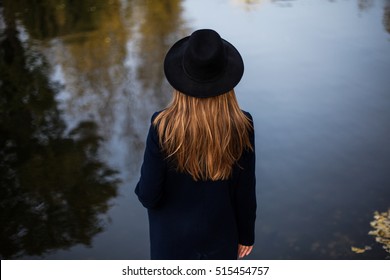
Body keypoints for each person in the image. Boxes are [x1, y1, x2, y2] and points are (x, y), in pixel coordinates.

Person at [135, 29, 256, 260]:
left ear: (180, 78)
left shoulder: (162, 126)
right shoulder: (242, 125)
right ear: (227, 79)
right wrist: (246, 236)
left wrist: (141, 188)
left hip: (170, 247)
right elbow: (245, 192)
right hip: (221, 242)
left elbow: (149, 195)